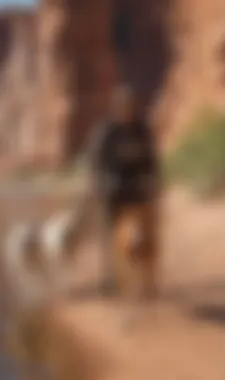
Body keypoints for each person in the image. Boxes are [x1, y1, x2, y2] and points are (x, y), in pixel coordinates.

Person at [88, 84, 161, 302]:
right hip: (114, 192)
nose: (127, 111)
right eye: (123, 107)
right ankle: (113, 279)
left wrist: (154, 184)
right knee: (113, 239)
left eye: (130, 106)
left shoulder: (142, 130)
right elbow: (96, 162)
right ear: (116, 108)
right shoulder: (107, 132)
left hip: (139, 189)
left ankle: (148, 283)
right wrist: (100, 184)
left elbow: (152, 160)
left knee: (147, 239)